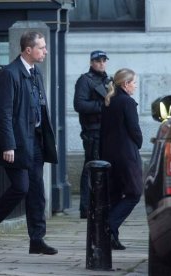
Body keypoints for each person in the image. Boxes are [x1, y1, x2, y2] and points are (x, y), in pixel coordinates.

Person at [0, 31, 58, 255]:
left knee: (37, 191)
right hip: (18, 142)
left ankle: (37, 240)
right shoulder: (9, 74)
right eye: (41, 47)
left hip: (36, 142)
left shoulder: (35, 72)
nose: (45, 51)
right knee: (21, 187)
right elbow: (3, 113)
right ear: (28, 50)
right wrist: (8, 145)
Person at [99, 68, 143, 250]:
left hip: (109, 155)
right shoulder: (128, 102)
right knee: (134, 194)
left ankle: (112, 238)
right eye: (133, 83)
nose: (135, 86)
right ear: (125, 84)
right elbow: (134, 130)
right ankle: (108, 225)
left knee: (115, 196)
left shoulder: (109, 101)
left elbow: (102, 131)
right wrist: (139, 143)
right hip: (126, 156)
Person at [73, 50, 111, 219]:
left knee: (104, 168)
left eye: (104, 60)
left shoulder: (108, 80)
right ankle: (86, 208)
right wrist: (102, 106)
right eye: (98, 61)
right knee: (90, 167)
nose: (101, 63)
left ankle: (100, 205)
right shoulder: (85, 80)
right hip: (92, 131)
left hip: (105, 130)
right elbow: (80, 105)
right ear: (91, 62)